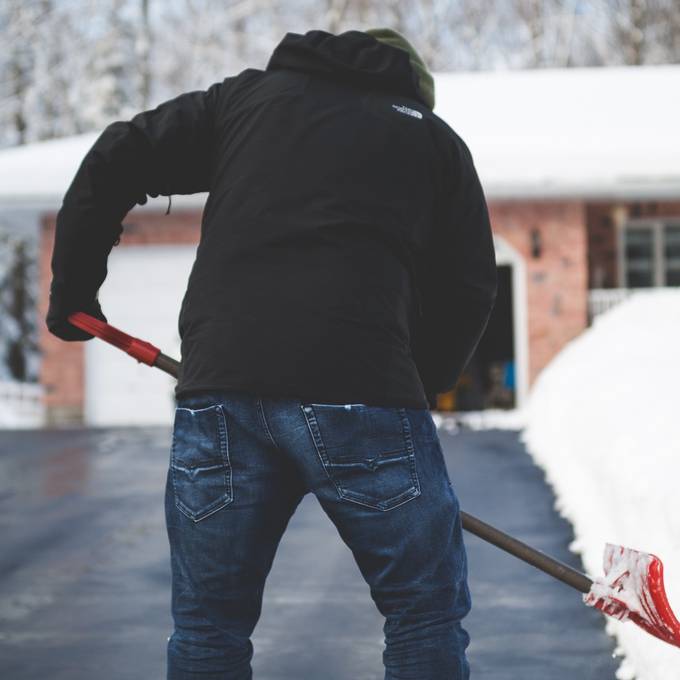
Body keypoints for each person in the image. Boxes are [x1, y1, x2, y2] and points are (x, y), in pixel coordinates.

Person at [46, 27, 498, 680]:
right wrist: (418, 387)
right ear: (413, 88)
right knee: (423, 610)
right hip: (362, 389)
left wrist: (73, 289)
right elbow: (469, 287)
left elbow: (121, 153)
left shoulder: (246, 104)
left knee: (209, 624)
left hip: (222, 389)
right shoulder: (432, 140)